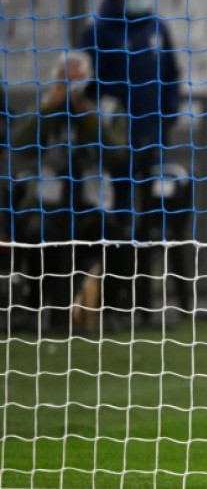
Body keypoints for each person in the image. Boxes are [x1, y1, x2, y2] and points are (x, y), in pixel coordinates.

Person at [80, 0, 182, 326]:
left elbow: (172, 77)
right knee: (115, 223)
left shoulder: (157, 28)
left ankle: (143, 306)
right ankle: (109, 304)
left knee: (149, 224)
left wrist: (167, 116)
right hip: (110, 151)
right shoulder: (99, 32)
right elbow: (84, 88)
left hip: (152, 144)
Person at [7, 53, 129, 333]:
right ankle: (32, 309)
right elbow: (19, 143)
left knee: (118, 242)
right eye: (66, 80)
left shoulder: (108, 108)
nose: (72, 87)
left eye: (77, 80)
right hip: (47, 203)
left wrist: (90, 120)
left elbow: (119, 154)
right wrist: (50, 110)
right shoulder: (45, 106)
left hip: (92, 203)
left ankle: (110, 312)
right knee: (35, 236)